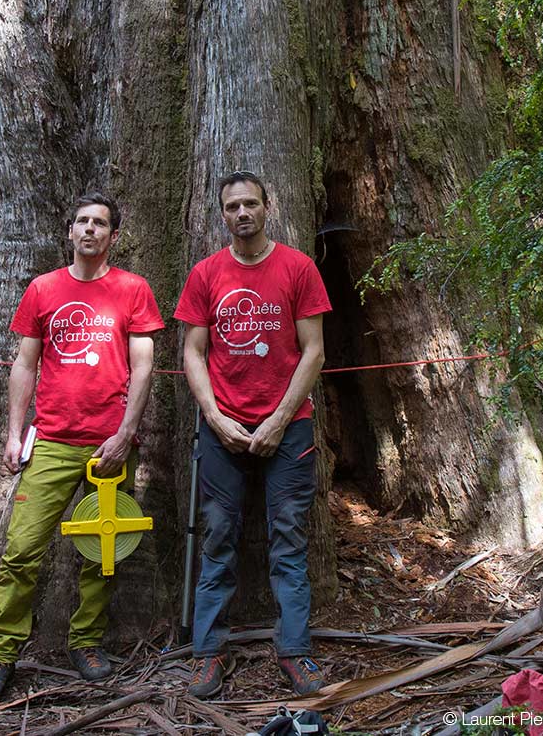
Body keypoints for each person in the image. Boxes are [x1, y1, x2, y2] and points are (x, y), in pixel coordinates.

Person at [0, 193, 165, 708]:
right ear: (69, 230)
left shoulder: (132, 289)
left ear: (113, 236)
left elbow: (143, 365)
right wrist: (13, 433)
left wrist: (126, 433)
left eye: (100, 223)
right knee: (21, 549)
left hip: (111, 445)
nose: (90, 230)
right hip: (52, 441)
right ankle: (2, 653)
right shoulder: (43, 289)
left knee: (105, 549)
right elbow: (24, 366)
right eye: (82, 221)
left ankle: (86, 641)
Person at [174, 171, 332, 699]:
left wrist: (278, 419)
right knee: (217, 538)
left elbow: (315, 351)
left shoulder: (298, 268)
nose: (241, 213)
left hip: (288, 429)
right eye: (231, 207)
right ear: (221, 214)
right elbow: (192, 352)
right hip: (223, 429)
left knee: (288, 537)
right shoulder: (205, 274)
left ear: (268, 207)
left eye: (250, 204)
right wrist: (217, 418)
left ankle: (295, 650)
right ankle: (207, 653)